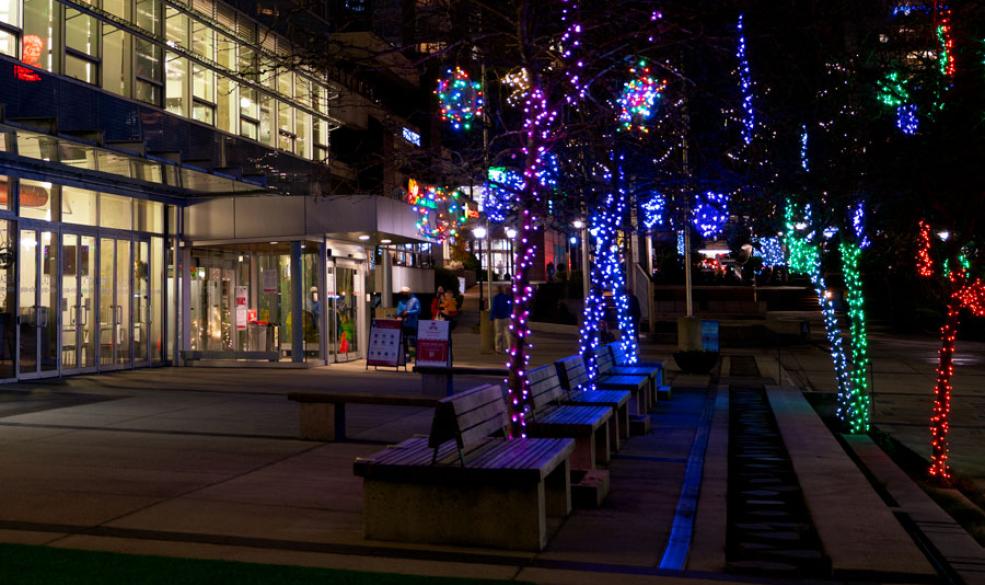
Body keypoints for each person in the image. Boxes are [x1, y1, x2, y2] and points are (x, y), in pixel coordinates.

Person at [396, 286, 420, 354]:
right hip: (403, 324)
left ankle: (415, 356)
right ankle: (406, 355)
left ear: (408, 293)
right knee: (404, 340)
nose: (403, 294)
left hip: (412, 325)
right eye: (402, 293)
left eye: (404, 293)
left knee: (413, 341)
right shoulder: (401, 301)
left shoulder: (415, 300)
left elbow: (418, 311)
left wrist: (408, 313)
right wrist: (399, 316)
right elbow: (398, 311)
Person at [489, 285, 512, 353]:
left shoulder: (496, 298)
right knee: (508, 333)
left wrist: (491, 318)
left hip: (498, 318)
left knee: (499, 333)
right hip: (507, 317)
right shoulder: (507, 298)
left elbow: (494, 308)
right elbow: (510, 307)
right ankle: (509, 348)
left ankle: (498, 348)